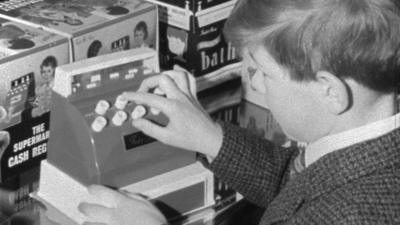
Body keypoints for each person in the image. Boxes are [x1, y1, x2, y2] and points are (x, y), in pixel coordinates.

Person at [78, 0, 400, 224]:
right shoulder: (365, 147)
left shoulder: (349, 215)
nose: (254, 85)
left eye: (261, 71)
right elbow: (294, 186)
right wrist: (210, 137)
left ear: (330, 91)